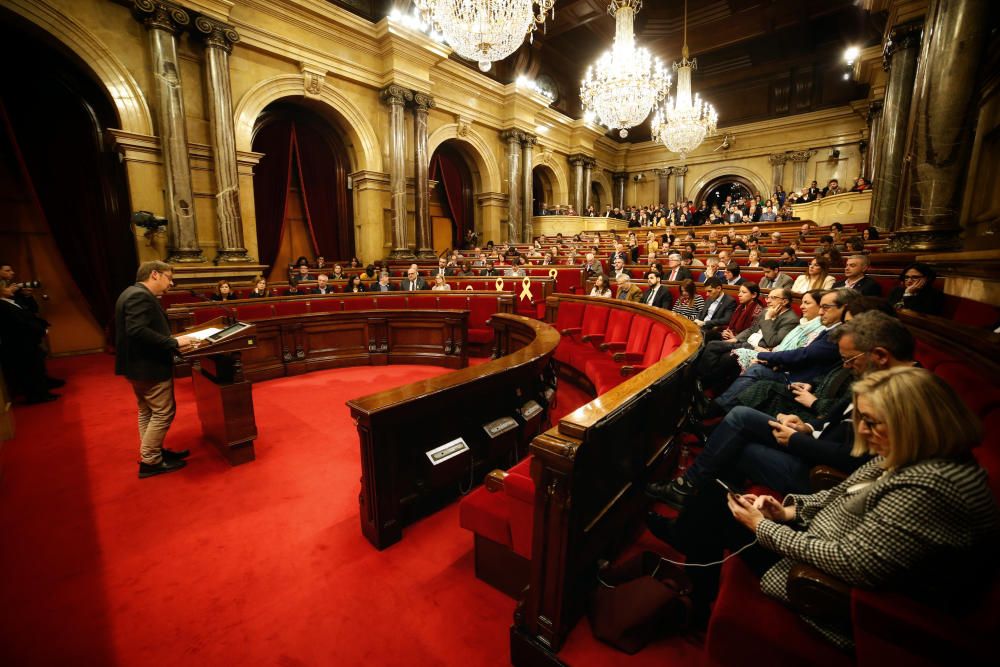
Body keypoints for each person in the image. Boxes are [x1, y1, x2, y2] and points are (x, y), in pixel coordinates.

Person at [653, 365, 999, 649]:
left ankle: (694, 599)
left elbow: (853, 564)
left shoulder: (931, 487)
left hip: (829, 585)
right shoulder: (910, 453)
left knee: (717, 510)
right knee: (718, 497)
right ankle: (691, 568)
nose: (862, 432)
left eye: (872, 422)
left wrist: (763, 527)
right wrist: (786, 511)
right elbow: (840, 494)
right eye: (860, 419)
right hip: (824, 539)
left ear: (917, 425)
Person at [114, 261, 198, 478]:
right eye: (168, 277)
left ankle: (152, 452)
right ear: (154, 274)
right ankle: (151, 460)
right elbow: (138, 330)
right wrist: (174, 343)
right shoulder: (139, 296)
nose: (171, 283)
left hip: (137, 366)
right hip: (147, 365)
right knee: (162, 412)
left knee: (147, 411)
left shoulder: (130, 292)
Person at [709, 288, 850, 413]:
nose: (802, 307)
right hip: (773, 355)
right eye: (768, 297)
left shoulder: (831, 331)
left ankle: (717, 406)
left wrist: (766, 353)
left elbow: (800, 352)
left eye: (824, 307)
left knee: (749, 365)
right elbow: (752, 330)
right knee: (715, 345)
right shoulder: (812, 325)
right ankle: (709, 391)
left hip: (794, 374)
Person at [698, 288, 798, 391]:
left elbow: (772, 341)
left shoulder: (791, 319)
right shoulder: (766, 311)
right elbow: (751, 329)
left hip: (758, 348)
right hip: (747, 342)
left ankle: (704, 383)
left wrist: (768, 318)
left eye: (773, 298)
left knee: (723, 355)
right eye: (768, 297)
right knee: (712, 344)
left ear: (785, 301)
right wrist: (736, 339)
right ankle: (704, 381)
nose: (767, 300)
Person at [0, 280, 60, 403]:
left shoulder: (13, 301)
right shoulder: (2, 305)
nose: (12, 289)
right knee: (31, 370)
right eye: (7, 288)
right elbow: (19, 323)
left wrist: (41, 328)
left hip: (28, 341)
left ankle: (42, 393)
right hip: (20, 343)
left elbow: (30, 313)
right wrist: (39, 330)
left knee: (37, 368)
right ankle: (37, 396)